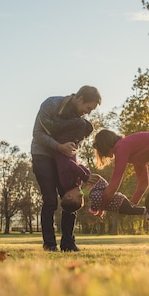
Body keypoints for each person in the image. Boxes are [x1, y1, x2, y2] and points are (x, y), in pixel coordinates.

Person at [31, 85, 101, 252]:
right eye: (88, 108)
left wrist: (74, 146)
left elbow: (80, 140)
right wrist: (58, 147)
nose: (88, 112)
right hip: (43, 155)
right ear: (80, 98)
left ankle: (68, 243)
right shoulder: (51, 104)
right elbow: (37, 133)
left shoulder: (79, 122)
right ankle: (49, 244)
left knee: (72, 198)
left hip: (64, 159)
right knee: (50, 200)